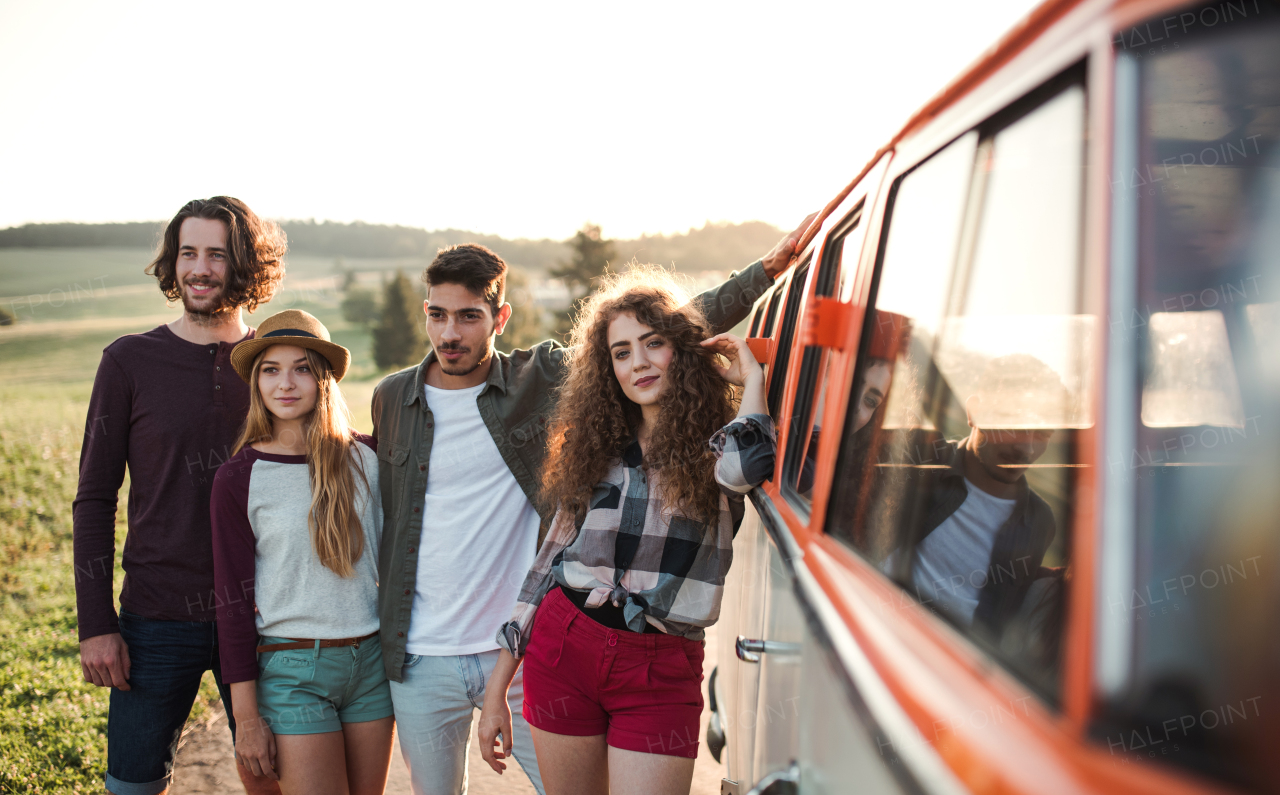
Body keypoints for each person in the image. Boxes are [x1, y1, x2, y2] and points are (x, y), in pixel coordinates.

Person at [371, 214, 814, 795]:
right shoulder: (394, 400)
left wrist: (765, 274)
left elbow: (672, 336)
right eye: (437, 314)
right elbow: (537, 558)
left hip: (619, 654)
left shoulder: (545, 381)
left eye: (468, 316)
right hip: (495, 646)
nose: (450, 332)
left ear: (499, 318)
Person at [476, 269, 775, 795]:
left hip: (661, 663)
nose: (637, 362)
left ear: (681, 350)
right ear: (606, 367)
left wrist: (753, 383)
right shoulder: (593, 446)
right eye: (621, 352)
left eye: (653, 343)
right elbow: (545, 566)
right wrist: (497, 688)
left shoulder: (717, 444)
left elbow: (746, 467)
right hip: (566, 646)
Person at [73, 196, 286, 795]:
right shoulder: (128, 361)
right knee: (132, 785)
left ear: (244, 265)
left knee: (271, 778)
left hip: (265, 612)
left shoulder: (277, 364)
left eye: (217, 254)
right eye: (188, 252)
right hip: (155, 615)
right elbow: (94, 498)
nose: (199, 268)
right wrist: (96, 623)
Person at [210, 310, 393, 793]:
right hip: (293, 671)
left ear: (324, 378)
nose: (285, 383)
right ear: (256, 382)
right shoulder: (239, 478)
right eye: (271, 369)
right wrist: (246, 718)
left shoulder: (369, 459)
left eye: (302, 368)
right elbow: (230, 603)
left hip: (372, 664)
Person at [883, 353, 1063, 639]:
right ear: (974, 412)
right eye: (1013, 423)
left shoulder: (1040, 521)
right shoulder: (921, 459)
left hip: (964, 663)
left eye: (1043, 433)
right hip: (880, 627)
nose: (1026, 450)